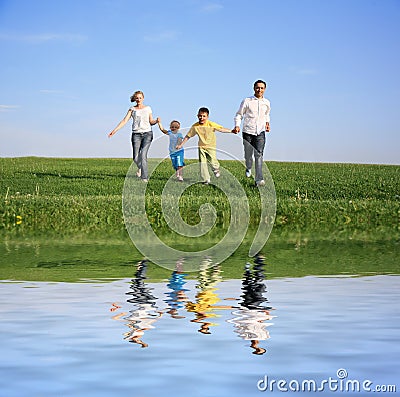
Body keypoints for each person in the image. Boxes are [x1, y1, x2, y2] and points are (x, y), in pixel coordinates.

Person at [108, 90, 159, 182]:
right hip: (136, 134)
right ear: (135, 99)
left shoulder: (148, 108)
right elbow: (124, 121)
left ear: (143, 98)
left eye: (140, 98)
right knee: (135, 157)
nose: (139, 99)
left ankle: (144, 177)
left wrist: (156, 121)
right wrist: (114, 130)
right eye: (137, 98)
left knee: (143, 155)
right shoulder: (132, 109)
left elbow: (151, 121)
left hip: (147, 134)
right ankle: (140, 167)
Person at [176, 107, 236, 184]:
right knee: (203, 163)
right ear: (197, 116)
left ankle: (215, 169)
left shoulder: (211, 124)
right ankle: (206, 179)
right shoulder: (195, 126)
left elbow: (221, 129)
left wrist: (231, 131)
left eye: (204, 116)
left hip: (211, 146)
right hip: (201, 147)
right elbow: (188, 136)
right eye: (200, 116)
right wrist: (181, 145)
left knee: (212, 160)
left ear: (207, 117)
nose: (202, 118)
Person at [234, 80, 271, 187]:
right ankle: (248, 166)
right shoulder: (247, 101)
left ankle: (259, 179)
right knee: (248, 154)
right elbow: (239, 115)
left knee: (258, 154)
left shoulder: (267, 103)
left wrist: (267, 123)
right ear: (254, 88)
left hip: (260, 132)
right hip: (247, 131)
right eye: (257, 87)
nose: (259, 90)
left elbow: (267, 114)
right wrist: (237, 125)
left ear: (264, 89)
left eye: (262, 88)